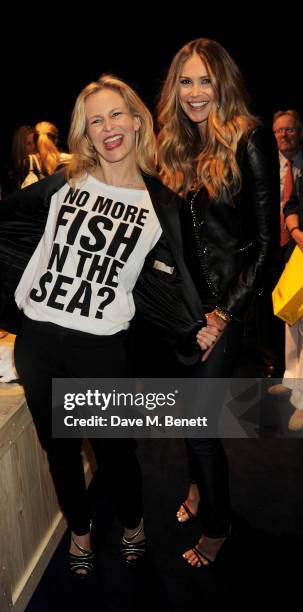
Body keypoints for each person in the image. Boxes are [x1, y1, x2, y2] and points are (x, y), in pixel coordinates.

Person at [0, 74, 217, 577]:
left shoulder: (162, 203)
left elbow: (179, 278)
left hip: (101, 348)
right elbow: (6, 224)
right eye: (95, 120)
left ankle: (134, 524)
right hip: (39, 340)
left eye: (117, 114)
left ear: (137, 122)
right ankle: (80, 530)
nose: (108, 127)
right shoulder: (65, 181)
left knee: (116, 454)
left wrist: (200, 321)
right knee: (61, 452)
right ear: (85, 133)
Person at [155, 38, 277, 567]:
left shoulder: (250, 140)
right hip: (185, 308)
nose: (196, 92)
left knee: (199, 426)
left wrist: (223, 313)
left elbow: (266, 244)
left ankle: (219, 525)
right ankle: (199, 488)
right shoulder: (178, 147)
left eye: (206, 80)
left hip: (228, 307)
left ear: (223, 83)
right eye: (186, 81)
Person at [268, 110, 303, 396]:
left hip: (297, 249)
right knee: (289, 316)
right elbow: (290, 205)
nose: (284, 135)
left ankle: (301, 400)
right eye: (279, 130)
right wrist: (295, 231)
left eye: (289, 130)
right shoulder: (268, 164)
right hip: (289, 250)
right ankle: (290, 380)